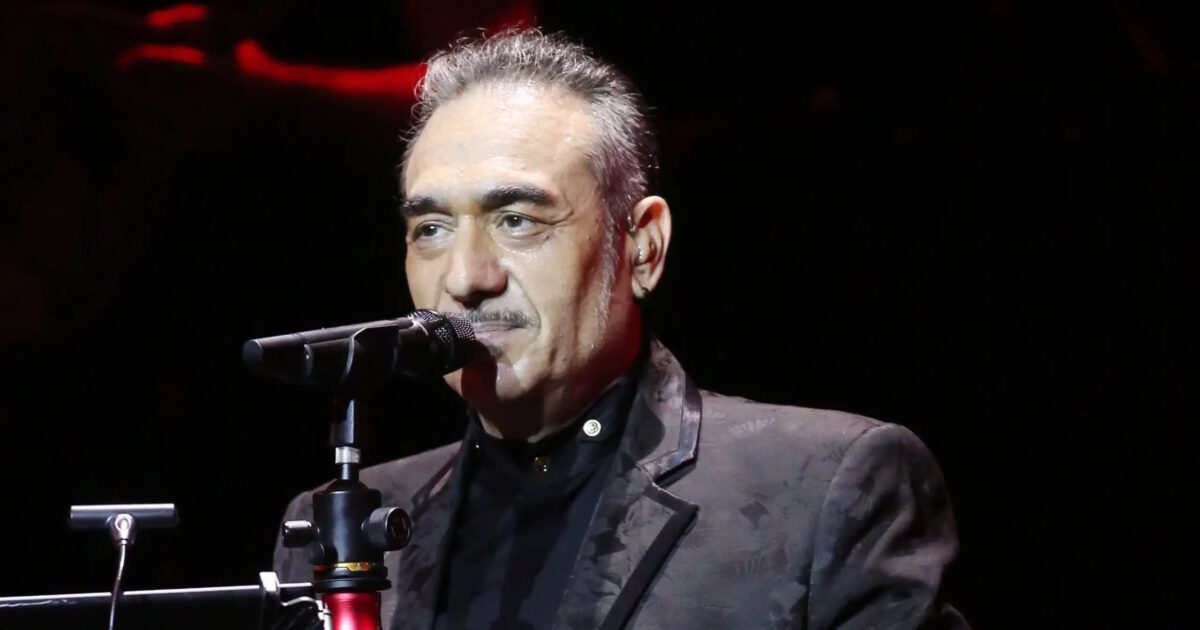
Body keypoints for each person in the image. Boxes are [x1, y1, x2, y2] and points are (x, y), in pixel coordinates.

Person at [273, 29, 969, 629]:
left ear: (642, 248)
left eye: (516, 220)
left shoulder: (825, 488)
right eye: (430, 228)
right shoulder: (336, 527)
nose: (464, 276)